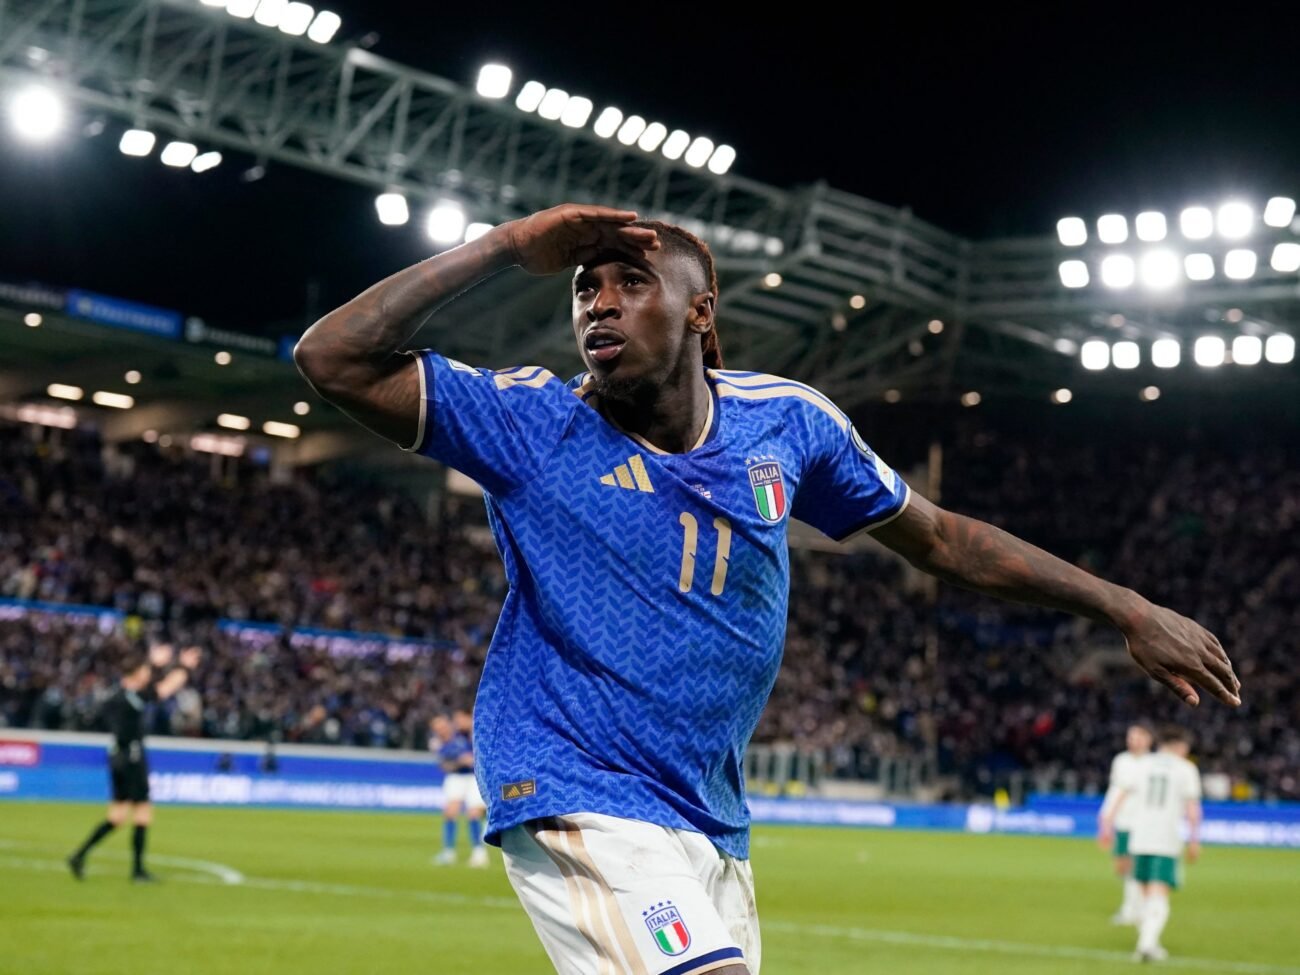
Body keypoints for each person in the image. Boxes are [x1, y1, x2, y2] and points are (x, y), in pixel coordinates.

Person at [293, 203, 1241, 975]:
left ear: (699, 311)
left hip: (710, 813)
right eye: (585, 287)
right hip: (576, 787)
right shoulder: (532, 424)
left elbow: (943, 539)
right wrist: (506, 247)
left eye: (632, 283)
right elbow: (330, 357)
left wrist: (1125, 605)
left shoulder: (787, 423)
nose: (600, 305)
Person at [67, 644, 201, 882]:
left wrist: (161, 664)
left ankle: (79, 855)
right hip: (132, 759)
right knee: (143, 812)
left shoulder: (117, 694)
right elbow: (164, 689)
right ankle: (138, 870)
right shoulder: (132, 698)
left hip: (117, 757)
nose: (148, 675)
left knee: (117, 816)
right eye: (145, 671)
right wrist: (182, 666)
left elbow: (154, 688)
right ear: (137, 673)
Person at [1101, 725, 1203, 963]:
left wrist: (1107, 822)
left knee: (1146, 891)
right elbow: (1192, 808)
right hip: (1165, 838)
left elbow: (1119, 795)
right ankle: (1146, 944)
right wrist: (1194, 839)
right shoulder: (1186, 769)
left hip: (1139, 836)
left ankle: (1148, 940)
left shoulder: (1143, 764)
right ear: (1181, 746)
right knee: (1159, 891)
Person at [1098, 722, 1154, 925]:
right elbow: (1114, 791)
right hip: (1123, 821)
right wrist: (1105, 819)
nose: (1132, 741)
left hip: (1144, 823)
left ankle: (1136, 909)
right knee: (1122, 868)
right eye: (1130, 737)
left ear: (1148, 739)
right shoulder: (1121, 761)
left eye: (1137, 737)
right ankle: (1134, 907)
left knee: (1138, 868)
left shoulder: (1154, 764)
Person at [429, 713, 489, 867]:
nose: (441, 730)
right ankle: (449, 852)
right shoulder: (437, 745)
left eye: (443, 726)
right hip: (455, 777)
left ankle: (479, 852)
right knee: (450, 812)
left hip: (472, 777)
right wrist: (460, 762)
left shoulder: (462, 733)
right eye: (438, 728)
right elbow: (445, 766)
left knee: (473, 813)